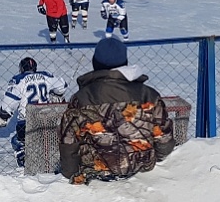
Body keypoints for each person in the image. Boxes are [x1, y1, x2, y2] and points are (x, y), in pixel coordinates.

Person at [58, 35, 176, 184]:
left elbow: (68, 140)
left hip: (96, 173)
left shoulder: (81, 98)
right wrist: (155, 158)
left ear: (95, 63)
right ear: (124, 63)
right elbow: (164, 140)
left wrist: (71, 173)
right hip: (141, 168)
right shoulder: (149, 95)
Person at [0, 57, 68, 167]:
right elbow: (62, 86)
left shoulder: (18, 80)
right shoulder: (46, 76)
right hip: (48, 120)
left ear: (21, 69)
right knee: (53, 138)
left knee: (16, 140)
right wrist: (56, 95)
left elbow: (10, 102)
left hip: (27, 122)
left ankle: (23, 155)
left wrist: (2, 116)